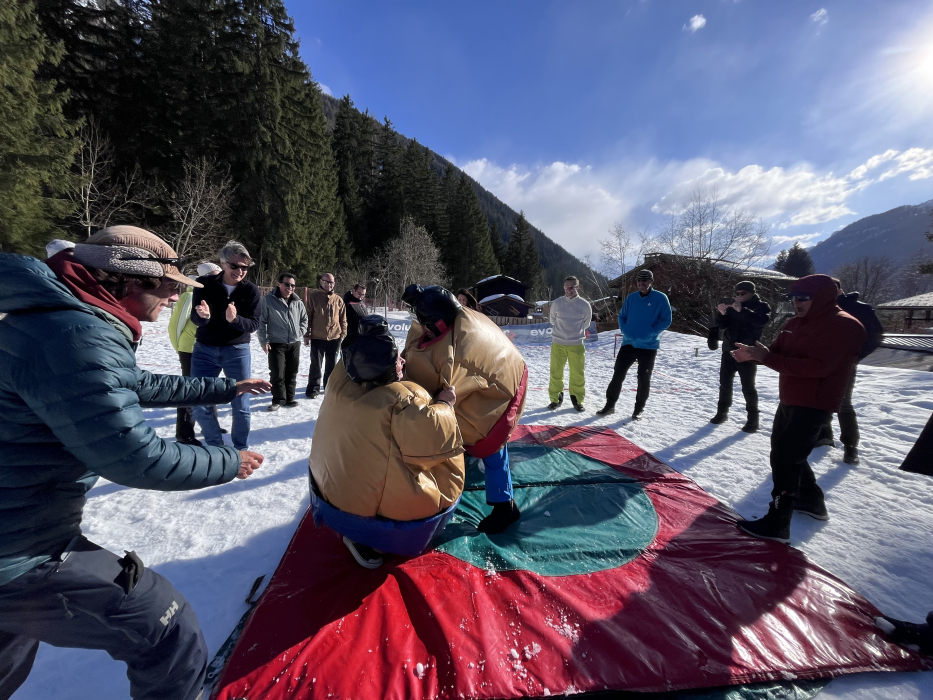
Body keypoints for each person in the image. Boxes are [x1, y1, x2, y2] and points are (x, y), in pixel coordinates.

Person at [0, 226, 269, 700]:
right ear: (125, 281)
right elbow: (136, 457)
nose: (173, 295)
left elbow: (139, 384)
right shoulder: (75, 335)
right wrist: (227, 462)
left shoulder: (69, 319)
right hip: (20, 551)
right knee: (167, 626)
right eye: (165, 285)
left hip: (20, 528)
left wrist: (226, 388)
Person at [309, 316, 463, 569]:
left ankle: (356, 530)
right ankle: (376, 540)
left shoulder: (341, 376)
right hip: (371, 513)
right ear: (385, 369)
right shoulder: (401, 401)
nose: (403, 360)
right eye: (396, 360)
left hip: (326, 487)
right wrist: (445, 403)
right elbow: (436, 442)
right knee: (449, 465)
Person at [733, 274, 865, 543]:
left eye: (803, 297)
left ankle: (778, 523)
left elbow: (817, 367)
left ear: (823, 297)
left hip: (816, 402)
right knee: (785, 452)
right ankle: (812, 502)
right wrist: (755, 353)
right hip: (790, 397)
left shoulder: (844, 325)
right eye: (794, 298)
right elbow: (777, 352)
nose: (797, 303)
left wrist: (766, 357)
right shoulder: (794, 323)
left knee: (786, 458)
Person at [402, 284, 528, 534]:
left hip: (503, 392)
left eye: (425, 322)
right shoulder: (460, 320)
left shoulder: (455, 354)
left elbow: (432, 391)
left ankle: (505, 507)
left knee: (490, 444)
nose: (422, 328)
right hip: (505, 373)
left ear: (438, 322)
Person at [190, 241, 262, 450]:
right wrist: (202, 317)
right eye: (235, 266)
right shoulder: (204, 284)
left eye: (245, 267)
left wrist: (235, 320)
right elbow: (196, 319)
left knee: (241, 405)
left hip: (237, 352)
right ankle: (215, 446)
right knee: (201, 401)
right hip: (204, 350)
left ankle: (240, 448)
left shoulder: (251, 291)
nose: (240, 271)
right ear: (222, 263)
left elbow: (253, 324)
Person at [814, 278, 884, 464]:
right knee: (819, 399)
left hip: (844, 365)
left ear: (839, 290)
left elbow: (875, 337)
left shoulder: (860, 308)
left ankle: (850, 448)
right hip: (819, 362)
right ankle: (823, 436)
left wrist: (854, 357)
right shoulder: (818, 307)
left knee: (843, 404)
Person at [597, 269, 672, 419]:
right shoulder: (631, 298)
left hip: (648, 346)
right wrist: (626, 330)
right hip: (629, 343)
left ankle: (638, 409)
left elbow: (666, 320)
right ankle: (610, 405)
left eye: (644, 281)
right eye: (639, 281)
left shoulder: (660, 298)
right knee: (618, 374)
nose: (641, 284)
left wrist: (651, 332)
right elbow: (622, 316)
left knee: (643, 379)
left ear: (651, 282)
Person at [168, 262, 223, 445]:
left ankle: (209, 423)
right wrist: (180, 349)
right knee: (190, 392)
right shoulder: (189, 296)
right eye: (214, 275)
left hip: (211, 348)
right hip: (190, 350)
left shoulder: (216, 295)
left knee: (209, 388)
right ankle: (184, 434)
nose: (218, 278)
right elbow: (175, 326)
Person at [708, 281, 771, 433]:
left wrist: (742, 310)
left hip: (748, 351)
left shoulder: (761, 306)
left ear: (752, 293)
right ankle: (722, 413)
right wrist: (722, 313)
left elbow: (760, 322)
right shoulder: (733, 306)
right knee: (725, 384)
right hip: (728, 349)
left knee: (748, 387)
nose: (739, 296)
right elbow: (722, 325)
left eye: (743, 293)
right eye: (737, 293)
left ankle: (752, 420)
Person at [258, 272, 309, 411]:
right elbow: (261, 322)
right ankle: (278, 399)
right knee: (277, 373)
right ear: (279, 284)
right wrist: (263, 341)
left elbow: (304, 319)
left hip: (294, 343)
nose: (290, 287)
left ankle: (290, 398)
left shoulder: (298, 302)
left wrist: (300, 332)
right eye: (287, 284)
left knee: (292, 373)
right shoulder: (268, 300)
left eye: (293, 285)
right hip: (276, 342)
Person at [547, 275, 592, 412]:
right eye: (566, 287)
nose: (568, 290)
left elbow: (586, 323)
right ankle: (555, 399)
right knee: (556, 373)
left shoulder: (584, 305)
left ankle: (577, 400)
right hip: (558, 343)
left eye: (571, 287)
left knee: (577, 374)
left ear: (577, 287)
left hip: (577, 344)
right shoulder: (557, 303)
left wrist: (574, 334)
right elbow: (552, 320)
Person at [304, 272, 347, 398]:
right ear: (321, 282)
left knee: (331, 365)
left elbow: (343, 319)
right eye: (326, 282)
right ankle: (313, 388)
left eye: (332, 282)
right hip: (318, 337)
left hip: (335, 337)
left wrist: (343, 334)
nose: (329, 284)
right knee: (316, 365)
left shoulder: (338, 300)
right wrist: (307, 334)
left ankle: (329, 387)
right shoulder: (314, 297)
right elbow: (308, 317)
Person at [342, 282, 368, 348]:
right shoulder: (346, 303)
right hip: (350, 338)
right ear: (353, 290)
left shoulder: (362, 303)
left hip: (362, 337)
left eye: (363, 295)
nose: (361, 296)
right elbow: (342, 320)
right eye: (359, 293)